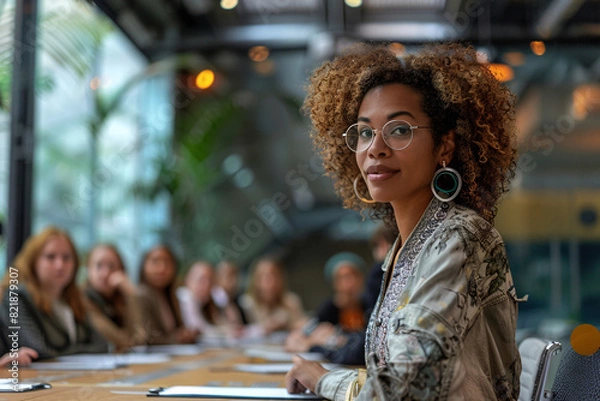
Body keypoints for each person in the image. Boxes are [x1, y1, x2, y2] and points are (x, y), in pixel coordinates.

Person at [285, 43, 522, 400]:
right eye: (365, 132)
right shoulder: (404, 248)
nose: (374, 147)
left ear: (445, 146)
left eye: (398, 129)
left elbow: (400, 391)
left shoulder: (460, 238)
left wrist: (323, 380)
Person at [0, 226, 109, 359]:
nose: (60, 265)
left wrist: (65, 353)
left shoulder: (74, 300)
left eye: (67, 257)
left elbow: (102, 346)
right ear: (33, 262)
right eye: (50, 257)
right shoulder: (17, 296)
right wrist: (82, 351)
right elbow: (38, 352)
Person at [285, 252, 369, 365]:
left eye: (354, 276)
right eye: (342, 278)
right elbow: (301, 336)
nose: (349, 283)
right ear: (335, 283)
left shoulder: (370, 305)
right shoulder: (329, 309)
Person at [83, 244, 145, 352]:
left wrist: (130, 295)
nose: (106, 273)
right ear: (88, 269)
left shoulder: (119, 301)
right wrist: (132, 296)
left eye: (112, 266)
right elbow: (127, 342)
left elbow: (141, 339)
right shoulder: (83, 300)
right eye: (99, 266)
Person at [137, 245, 199, 344]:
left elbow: (179, 328)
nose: (162, 268)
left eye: (167, 262)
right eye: (155, 262)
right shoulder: (140, 295)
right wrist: (177, 338)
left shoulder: (171, 295)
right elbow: (147, 338)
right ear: (143, 265)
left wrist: (187, 334)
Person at [240, 255, 307, 336]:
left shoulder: (291, 301)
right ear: (255, 280)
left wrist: (288, 324)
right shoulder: (246, 303)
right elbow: (239, 330)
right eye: (265, 277)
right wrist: (266, 327)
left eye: (275, 276)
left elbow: (304, 325)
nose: (271, 282)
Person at [177, 260, 240, 338]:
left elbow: (233, 323)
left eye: (210, 280)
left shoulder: (207, 302)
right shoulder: (186, 297)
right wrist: (225, 331)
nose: (206, 285)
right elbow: (198, 329)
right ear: (187, 280)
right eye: (201, 280)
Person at [212, 259, 248, 325]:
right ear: (217, 278)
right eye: (229, 276)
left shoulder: (237, 300)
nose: (234, 280)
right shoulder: (212, 302)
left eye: (236, 276)